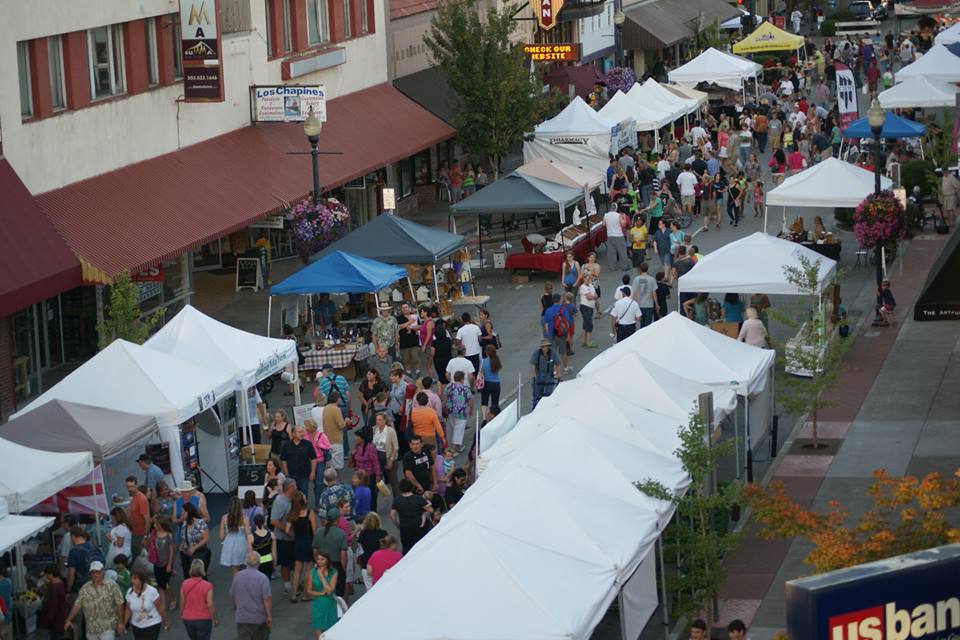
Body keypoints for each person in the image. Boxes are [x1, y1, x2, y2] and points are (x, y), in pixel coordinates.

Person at [64, 560, 124, 640]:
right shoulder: (85, 588)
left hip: (107, 627)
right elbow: (77, 605)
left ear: (103, 572)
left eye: (97, 571)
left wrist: (120, 622)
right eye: (93, 572)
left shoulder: (112, 586)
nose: (95, 574)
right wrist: (69, 619)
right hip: (91, 628)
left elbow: (119, 604)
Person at [230, 551, 272, 640]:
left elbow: (234, 596)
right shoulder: (262, 578)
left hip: (242, 618)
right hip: (258, 618)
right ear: (259, 562)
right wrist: (268, 615)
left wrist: (237, 609)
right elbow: (266, 599)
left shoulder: (238, 576)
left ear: (246, 562)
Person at [284, 491, 316, 602]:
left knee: (297, 569)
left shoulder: (292, 514)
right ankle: (306, 594)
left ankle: (293, 594)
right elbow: (315, 530)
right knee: (308, 569)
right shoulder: (309, 513)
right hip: (308, 541)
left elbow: (287, 530)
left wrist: (295, 535)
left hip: (298, 541)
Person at [311, 509, 347, 598]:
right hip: (336, 565)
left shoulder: (319, 531)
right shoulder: (341, 533)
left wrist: (317, 562)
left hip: (322, 565)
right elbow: (343, 554)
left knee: (322, 591)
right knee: (337, 593)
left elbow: (315, 550)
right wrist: (343, 568)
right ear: (338, 519)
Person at [124, 568, 170, 639]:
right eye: (132, 578)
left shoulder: (152, 591)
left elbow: (160, 608)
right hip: (136, 625)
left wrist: (166, 621)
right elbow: (127, 609)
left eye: (135, 579)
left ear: (142, 580)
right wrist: (123, 623)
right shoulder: (129, 592)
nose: (132, 581)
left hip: (152, 624)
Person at [389, 479, 432, 554]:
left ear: (400, 489)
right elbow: (430, 510)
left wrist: (397, 524)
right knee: (421, 547)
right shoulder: (418, 499)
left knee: (407, 548)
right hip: (418, 527)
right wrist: (424, 513)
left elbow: (392, 515)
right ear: (412, 488)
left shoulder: (397, 500)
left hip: (405, 528)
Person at [180, 560, 218, 640]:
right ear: (202, 569)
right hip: (203, 619)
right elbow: (210, 604)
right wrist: (215, 617)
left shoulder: (184, 584)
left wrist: (182, 614)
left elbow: (182, 602)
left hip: (188, 619)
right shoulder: (208, 585)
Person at [305, 550, 338, 638]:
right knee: (319, 632)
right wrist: (320, 594)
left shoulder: (334, 572)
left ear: (327, 560)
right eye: (318, 559)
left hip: (331, 604)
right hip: (318, 604)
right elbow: (308, 590)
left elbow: (329, 591)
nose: (319, 561)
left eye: (322, 559)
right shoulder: (312, 572)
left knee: (331, 631)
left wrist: (321, 576)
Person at [350, 427, 382, 512]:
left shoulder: (370, 447)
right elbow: (352, 463)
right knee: (358, 494)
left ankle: (372, 513)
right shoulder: (357, 446)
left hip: (369, 476)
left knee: (370, 495)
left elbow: (375, 462)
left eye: (357, 437)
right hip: (358, 475)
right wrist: (352, 454)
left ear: (363, 438)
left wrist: (378, 475)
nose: (355, 438)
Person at [280, 425, 317, 496]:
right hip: (291, 476)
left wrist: (313, 472)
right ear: (293, 434)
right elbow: (283, 460)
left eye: (302, 432)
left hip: (304, 476)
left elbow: (313, 459)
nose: (302, 434)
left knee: (304, 494)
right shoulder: (286, 445)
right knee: (292, 495)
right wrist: (286, 473)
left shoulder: (308, 444)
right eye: (299, 432)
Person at [66, 526, 104, 593]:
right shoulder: (93, 546)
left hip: (82, 587)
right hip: (97, 583)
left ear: (72, 536)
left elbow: (71, 573)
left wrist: (68, 589)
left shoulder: (74, 551)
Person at [219, 496, 250, 576]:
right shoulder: (244, 518)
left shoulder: (224, 517)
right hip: (242, 543)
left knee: (234, 568)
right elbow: (248, 535)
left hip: (230, 544)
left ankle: (237, 586)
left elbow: (221, 536)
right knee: (246, 566)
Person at [149, 517, 175, 613]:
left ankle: (172, 599)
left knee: (165, 584)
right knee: (160, 584)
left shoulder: (168, 535)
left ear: (161, 525)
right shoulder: (154, 534)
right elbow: (150, 544)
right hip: (157, 562)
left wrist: (169, 564)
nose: (154, 525)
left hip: (165, 563)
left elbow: (171, 550)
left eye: (156, 524)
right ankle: (163, 603)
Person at [179, 503, 209, 580]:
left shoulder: (200, 523)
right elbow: (184, 537)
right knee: (187, 575)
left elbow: (205, 539)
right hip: (186, 554)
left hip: (199, 553)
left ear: (187, 512)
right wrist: (181, 548)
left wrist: (194, 548)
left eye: (182, 511)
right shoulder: (184, 523)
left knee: (199, 575)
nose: (181, 513)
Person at [355, 513, 388, 587]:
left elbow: (360, 549)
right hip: (380, 563)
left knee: (369, 588)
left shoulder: (362, 534)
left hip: (366, 563)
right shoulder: (383, 533)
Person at [38, 564, 68, 640]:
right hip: (61, 618)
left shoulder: (54, 588)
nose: (46, 576)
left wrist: (45, 623)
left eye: (47, 574)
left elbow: (52, 608)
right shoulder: (60, 583)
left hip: (55, 622)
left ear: (50, 574)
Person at [530, 339, 560, 410]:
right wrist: (533, 374)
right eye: (543, 347)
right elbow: (533, 364)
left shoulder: (553, 353)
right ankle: (538, 407)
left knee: (549, 393)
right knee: (538, 393)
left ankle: (548, 408)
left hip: (549, 375)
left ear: (548, 346)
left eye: (546, 346)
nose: (544, 348)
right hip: (539, 374)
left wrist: (558, 374)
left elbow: (558, 364)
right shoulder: (536, 353)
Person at [126, 476, 150, 557]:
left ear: (136, 486)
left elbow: (147, 519)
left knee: (139, 558)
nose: (130, 489)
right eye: (128, 487)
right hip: (134, 532)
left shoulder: (141, 499)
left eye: (132, 486)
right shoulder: (133, 497)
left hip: (140, 534)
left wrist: (145, 536)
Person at [395, 302, 420, 375]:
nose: (405, 309)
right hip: (404, 343)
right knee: (406, 360)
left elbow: (419, 327)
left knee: (416, 359)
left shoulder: (415, 316)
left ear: (409, 308)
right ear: (401, 309)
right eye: (403, 308)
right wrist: (409, 322)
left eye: (406, 307)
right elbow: (399, 327)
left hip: (414, 342)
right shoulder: (398, 318)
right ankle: (408, 373)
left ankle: (418, 372)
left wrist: (413, 327)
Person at [603, 203, 629, 271]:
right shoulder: (619, 215)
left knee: (611, 253)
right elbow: (623, 224)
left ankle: (613, 267)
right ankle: (624, 266)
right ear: (616, 208)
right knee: (622, 252)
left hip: (610, 235)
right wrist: (624, 218)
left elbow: (604, 224)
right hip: (619, 235)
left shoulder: (606, 215)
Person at [578, 272, 598, 353]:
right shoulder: (583, 287)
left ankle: (584, 341)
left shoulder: (591, 285)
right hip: (585, 307)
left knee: (586, 323)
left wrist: (593, 296)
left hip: (590, 307)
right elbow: (589, 297)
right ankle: (588, 342)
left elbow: (596, 295)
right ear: (583, 279)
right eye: (586, 278)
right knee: (589, 324)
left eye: (589, 278)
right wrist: (593, 296)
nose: (588, 280)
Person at [479, 344, 502, 417]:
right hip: (496, 383)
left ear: (486, 353)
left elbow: (481, 372)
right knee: (495, 403)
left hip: (486, 383)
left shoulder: (484, 361)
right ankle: (494, 416)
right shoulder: (497, 361)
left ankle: (484, 418)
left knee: (484, 401)